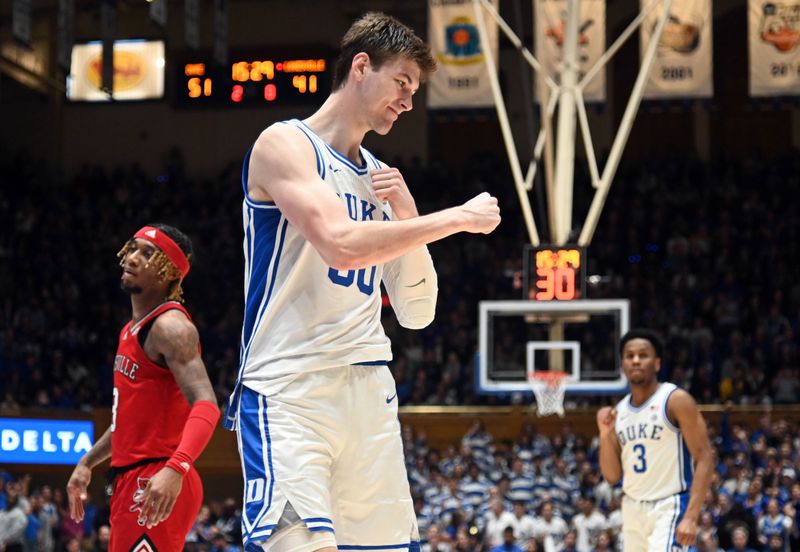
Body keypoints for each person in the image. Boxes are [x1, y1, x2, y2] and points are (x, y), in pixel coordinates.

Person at [222, 10, 501, 552]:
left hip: (369, 391)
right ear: (360, 66)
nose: (408, 101)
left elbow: (418, 310)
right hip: (290, 388)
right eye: (401, 83)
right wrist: (454, 218)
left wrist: (409, 210)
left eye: (414, 91)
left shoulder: (380, 177)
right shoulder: (284, 145)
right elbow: (340, 245)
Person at [66, 224, 220, 551]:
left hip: (158, 475)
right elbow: (126, 424)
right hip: (131, 478)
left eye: (147, 254)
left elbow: (206, 404)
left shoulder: (171, 327)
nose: (133, 258)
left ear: (168, 272)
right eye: (133, 248)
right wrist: (86, 462)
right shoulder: (130, 330)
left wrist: (175, 468)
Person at [596, 329, 714, 551]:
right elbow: (612, 476)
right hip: (631, 509)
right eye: (630, 356)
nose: (636, 360)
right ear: (623, 365)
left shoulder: (674, 400)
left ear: (657, 364)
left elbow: (705, 457)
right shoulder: (619, 411)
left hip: (669, 506)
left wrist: (691, 516)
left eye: (643, 355)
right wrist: (604, 434)